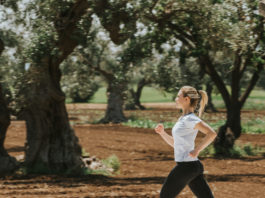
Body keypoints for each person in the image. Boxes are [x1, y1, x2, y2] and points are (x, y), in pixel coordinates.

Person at [155, 86, 217, 198]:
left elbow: (212, 133)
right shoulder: (183, 119)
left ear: (187, 99)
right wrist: (162, 133)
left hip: (187, 166)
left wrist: (197, 149)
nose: (175, 99)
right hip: (192, 166)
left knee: (165, 196)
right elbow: (176, 144)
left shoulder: (191, 119)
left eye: (178, 96)